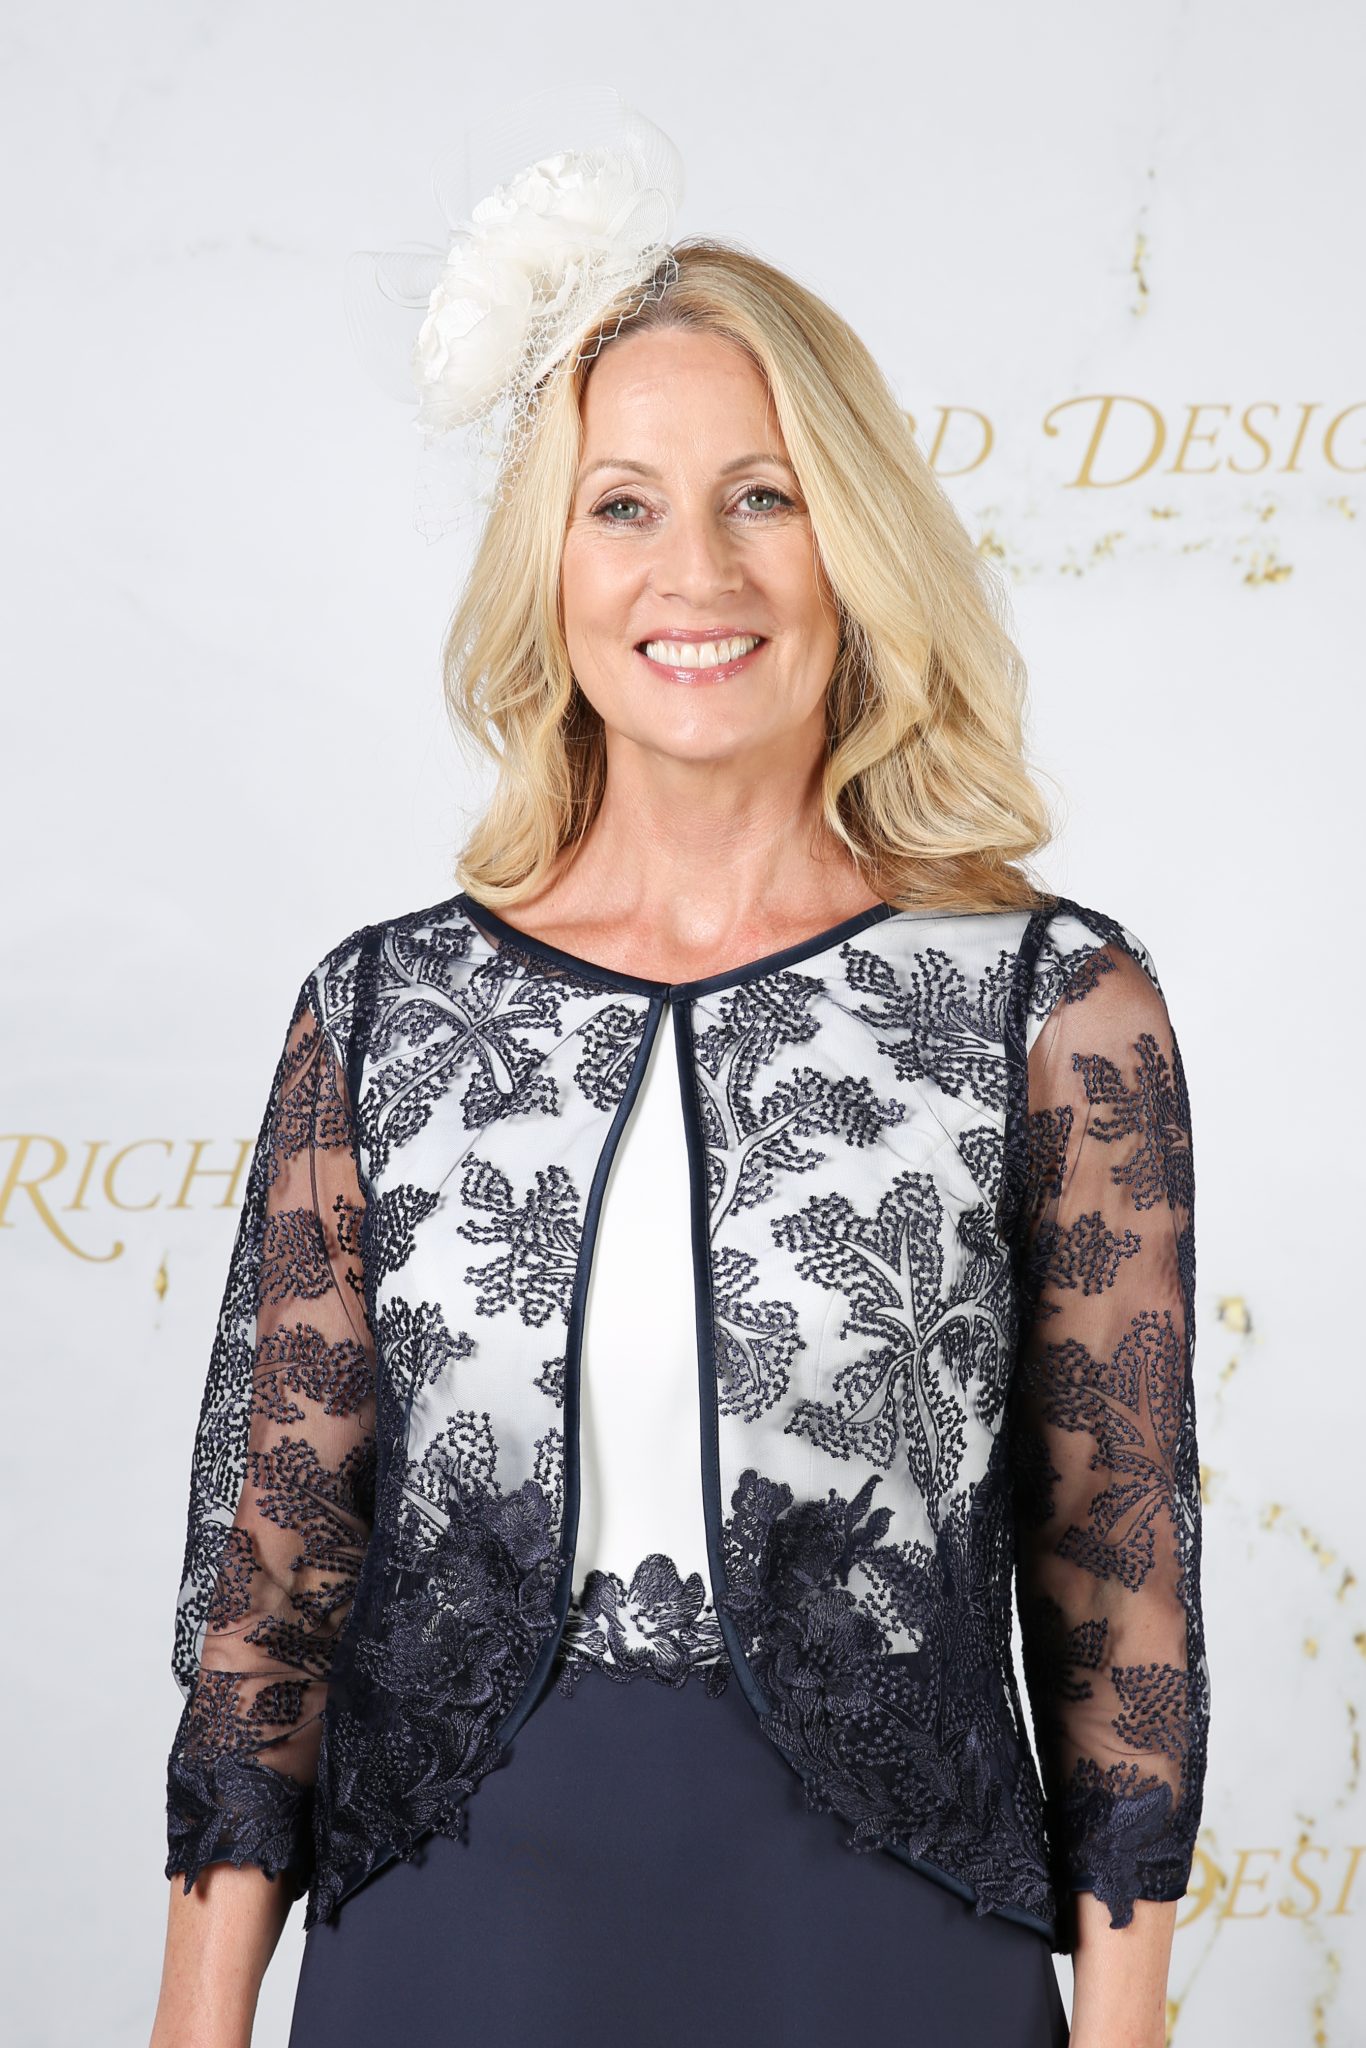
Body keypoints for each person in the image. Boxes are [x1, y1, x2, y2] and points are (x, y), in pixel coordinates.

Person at [150, 157, 1208, 2048]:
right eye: (621, 503)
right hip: (448, 1962)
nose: (694, 575)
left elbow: (1116, 1588)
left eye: (762, 498)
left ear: (853, 543)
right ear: (547, 563)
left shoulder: (1049, 1006)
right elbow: (272, 1600)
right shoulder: (380, 1015)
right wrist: (191, 2025)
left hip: (884, 1972)